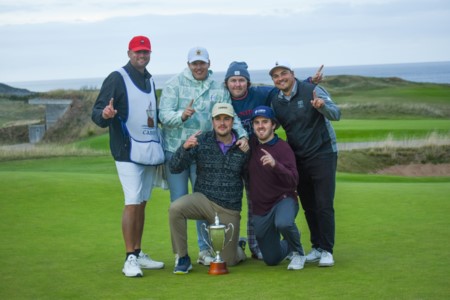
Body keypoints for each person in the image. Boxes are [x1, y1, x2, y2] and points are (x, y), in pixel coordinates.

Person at [159, 47, 249, 267]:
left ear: (209, 63)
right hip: (178, 148)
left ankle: (205, 249)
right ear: (188, 64)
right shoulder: (174, 84)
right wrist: (181, 115)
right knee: (178, 202)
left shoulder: (217, 87)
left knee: (203, 198)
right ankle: (181, 255)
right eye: (194, 63)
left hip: (205, 150)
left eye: (202, 63)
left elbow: (230, 116)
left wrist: (244, 135)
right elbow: (163, 115)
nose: (198, 67)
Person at [224, 61, 323, 260]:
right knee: (234, 201)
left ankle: (258, 246)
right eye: (233, 80)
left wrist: (309, 81)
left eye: (241, 80)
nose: (237, 84)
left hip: (257, 149)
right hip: (236, 154)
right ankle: (231, 244)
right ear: (227, 83)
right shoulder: (223, 97)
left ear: (248, 83)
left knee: (255, 197)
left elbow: (284, 88)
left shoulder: (260, 93)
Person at [91, 35, 164, 277]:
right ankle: (129, 258)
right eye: (137, 52)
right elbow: (97, 113)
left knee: (142, 202)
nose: (141, 56)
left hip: (148, 150)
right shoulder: (117, 78)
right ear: (129, 53)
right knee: (132, 201)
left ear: (150, 54)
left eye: (145, 52)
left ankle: (138, 252)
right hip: (126, 150)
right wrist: (106, 114)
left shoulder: (149, 80)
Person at [268, 60, 341, 267]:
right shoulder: (276, 101)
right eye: (276, 76)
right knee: (309, 205)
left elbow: (337, 114)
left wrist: (322, 106)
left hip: (323, 153)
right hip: (298, 157)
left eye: (284, 73)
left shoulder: (313, 90)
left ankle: (327, 250)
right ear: (273, 80)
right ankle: (317, 247)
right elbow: (276, 126)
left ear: (292, 73)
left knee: (324, 204)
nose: (280, 78)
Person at [168, 103, 248, 274]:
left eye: (226, 119)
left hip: (229, 208)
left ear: (232, 121)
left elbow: (253, 179)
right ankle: (182, 257)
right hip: (203, 201)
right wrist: (184, 148)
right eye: (218, 119)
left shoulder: (243, 147)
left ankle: (238, 247)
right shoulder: (201, 140)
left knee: (229, 261)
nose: (222, 123)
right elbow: (174, 167)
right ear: (212, 122)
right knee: (175, 209)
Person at [247, 105, 306, 270]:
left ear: (273, 125)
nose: (260, 126)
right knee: (271, 260)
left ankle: (298, 253)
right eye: (257, 122)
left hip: (284, 199)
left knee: (284, 223)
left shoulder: (282, 148)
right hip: (261, 208)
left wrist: (275, 165)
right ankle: (289, 242)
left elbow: (294, 180)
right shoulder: (251, 144)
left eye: (265, 122)